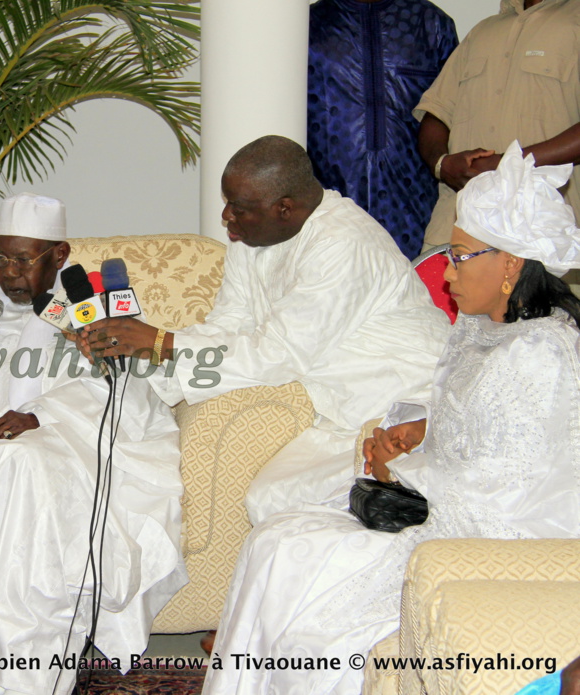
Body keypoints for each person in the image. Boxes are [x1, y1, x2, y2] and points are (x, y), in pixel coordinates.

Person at [200, 141, 580, 695]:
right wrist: (417, 433)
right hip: (447, 501)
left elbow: (509, 491)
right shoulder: (482, 329)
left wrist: (403, 472)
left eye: (459, 256)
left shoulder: (540, 353)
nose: (445, 274)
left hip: (487, 536)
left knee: (313, 605)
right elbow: (474, 418)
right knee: (276, 537)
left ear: (511, 265)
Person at [0, 193, 186, 695]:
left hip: (67, 438)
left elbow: (117, 394)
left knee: (24, 465)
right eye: (1, 258)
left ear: (60, 255)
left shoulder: (88, 308)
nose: (9, 273)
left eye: (23, 260)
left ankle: (23, 664)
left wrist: (40, 415)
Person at [84, 135, 450, 525]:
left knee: (305, 504)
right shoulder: (252, 238)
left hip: (409, 407)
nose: (226, 217)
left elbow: (277, 355)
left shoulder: (342, 244)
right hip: (345, 412)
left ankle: (411, 526)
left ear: (285, 208)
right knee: (269, 499)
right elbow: (228, 325)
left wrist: (161, 343)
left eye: (238, 208)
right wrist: (143, 348)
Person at [415, 0, 580, 251]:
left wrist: (508, 165)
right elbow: (436, 113)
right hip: (458, 231)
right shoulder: (482, 31)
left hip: (544, 236)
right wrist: (442, 164)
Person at [308, 0, 457, 258]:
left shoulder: (431, 23)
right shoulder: (310, 24)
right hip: (326, 212)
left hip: (415, 215)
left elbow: (455, 113)